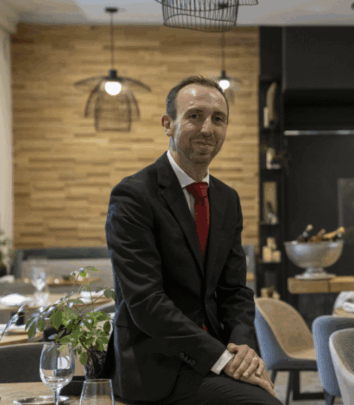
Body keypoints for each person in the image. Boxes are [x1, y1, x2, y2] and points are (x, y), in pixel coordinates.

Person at [104, 76, 280, 404]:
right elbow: (146, 303)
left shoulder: (227, 199)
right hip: (156, 366)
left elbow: (235, 291)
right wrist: (224, 360)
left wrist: (243, 347)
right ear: (167, 124)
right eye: (195, 116)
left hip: (216, 357)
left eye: (218, 119)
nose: (207, 128)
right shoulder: (133, 196)